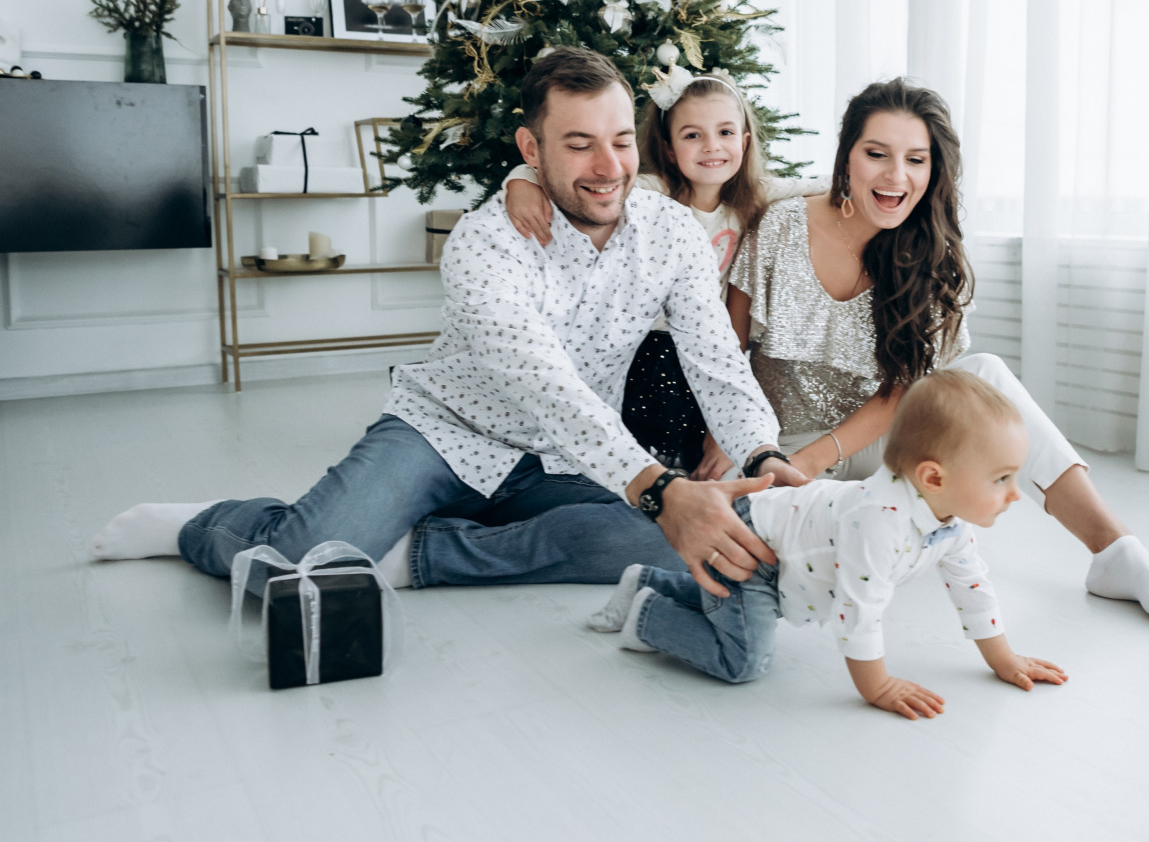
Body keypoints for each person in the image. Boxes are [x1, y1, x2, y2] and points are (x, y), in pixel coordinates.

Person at [90, 46, 807, 599]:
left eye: (620, 140)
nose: (607, 165)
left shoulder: (671, 232)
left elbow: (717, 362)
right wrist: (657, 488)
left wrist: (763, 458)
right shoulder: (483, 241)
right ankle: (200, 523)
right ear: (531, 151)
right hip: (442, 435)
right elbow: (545, 384)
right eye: (578, 142)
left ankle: (410, 555)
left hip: (565, 461)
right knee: (288, 567)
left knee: (684, 545)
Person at [722, 77, 1149, 620]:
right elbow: (728, 350)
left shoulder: (932, 254)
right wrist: (736, 445)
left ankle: (1117, 552)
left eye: (915, 159)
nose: (895, 176)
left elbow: (900, 393)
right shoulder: (784, 224)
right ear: (847, 158)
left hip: (880, 448)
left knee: (985, 374)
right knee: (785, 556)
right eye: (876, 154)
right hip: (775, 450)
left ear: (934, 172)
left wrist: (816, 458)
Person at [587, 369, 1068, 719]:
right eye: (1002, 478)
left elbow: (973, 587)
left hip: (787, 552)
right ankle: (649, 616)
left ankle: (645, 580)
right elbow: (859, 609)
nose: (1014, 494)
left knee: (738, 618)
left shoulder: (950, 521)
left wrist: (1002, 659)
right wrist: (877, 687)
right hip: (754, 542)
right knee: (744, 661)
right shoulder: (881, 521)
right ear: (934, 477)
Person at [500, 64, 826, 475]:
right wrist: (520, 180)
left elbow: (820, 185)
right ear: (670, 148)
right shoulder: (652, 193)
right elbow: (572, 178)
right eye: (693, 135)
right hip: (642, 345)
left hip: (702, 347)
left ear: (744, 142)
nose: (712, 147)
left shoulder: (755, 195)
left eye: (725, 133)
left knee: (702, 422)